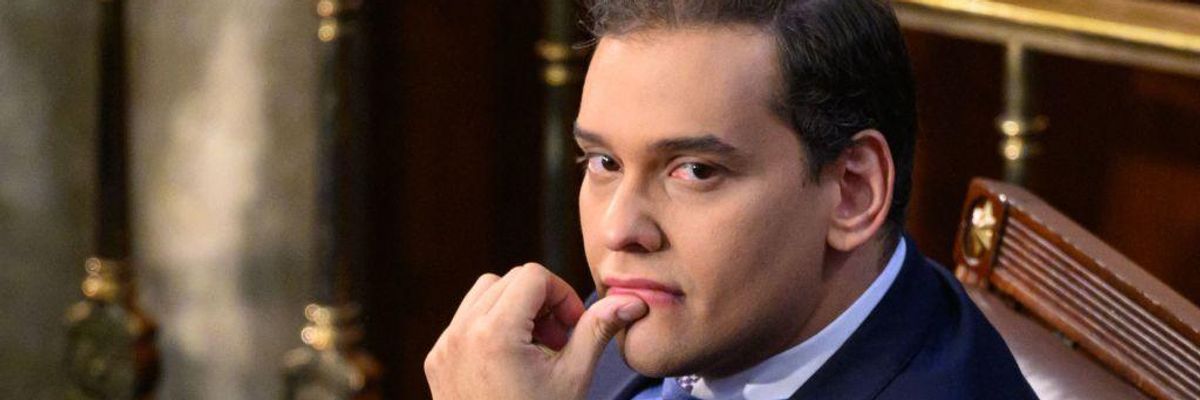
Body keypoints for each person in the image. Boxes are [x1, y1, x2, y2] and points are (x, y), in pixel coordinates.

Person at [424, 0, 1037, 399]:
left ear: (853, 191)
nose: (620, 228)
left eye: (694, 171)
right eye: (605, 163)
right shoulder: (678, 306)